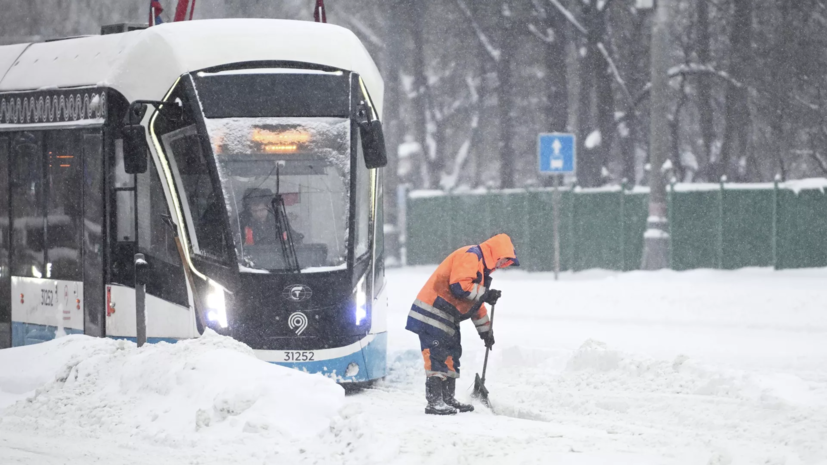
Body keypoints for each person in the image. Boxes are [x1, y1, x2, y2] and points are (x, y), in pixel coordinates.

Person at [405, 233, 519, 415]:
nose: (502, 265)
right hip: (432, 312)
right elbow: (460, 286)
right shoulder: (472, 256)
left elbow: (475, 305)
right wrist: (485, 294)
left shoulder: (481, 268)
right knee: (437, 355)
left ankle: (447, 398)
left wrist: (486, 332)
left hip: (447, 316)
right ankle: (434, 402)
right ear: (497, 253)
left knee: (452, 354)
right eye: (503, 260)